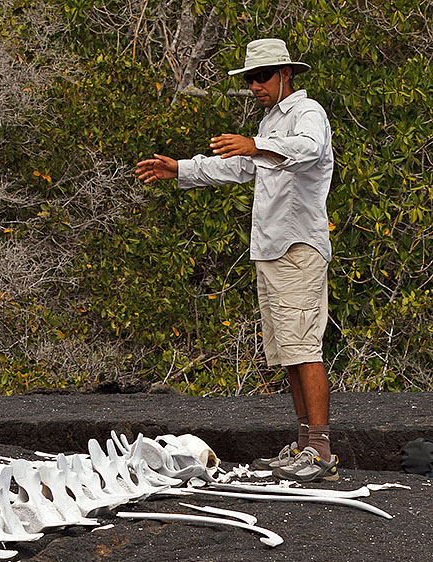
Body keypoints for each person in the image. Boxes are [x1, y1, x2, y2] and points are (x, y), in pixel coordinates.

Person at [135, 38, 337, 482]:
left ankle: (320, 449)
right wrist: (181, 169)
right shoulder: (269, 123)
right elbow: (237, 168)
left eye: (262, 76)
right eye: (250, 78)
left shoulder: (308, 114)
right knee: (287, 351)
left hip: (297, 247)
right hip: (270, 250)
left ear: (286, 74)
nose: (255, 85)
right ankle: (304, 444)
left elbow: (306, 150)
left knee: (304, 347)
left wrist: (255, 145)